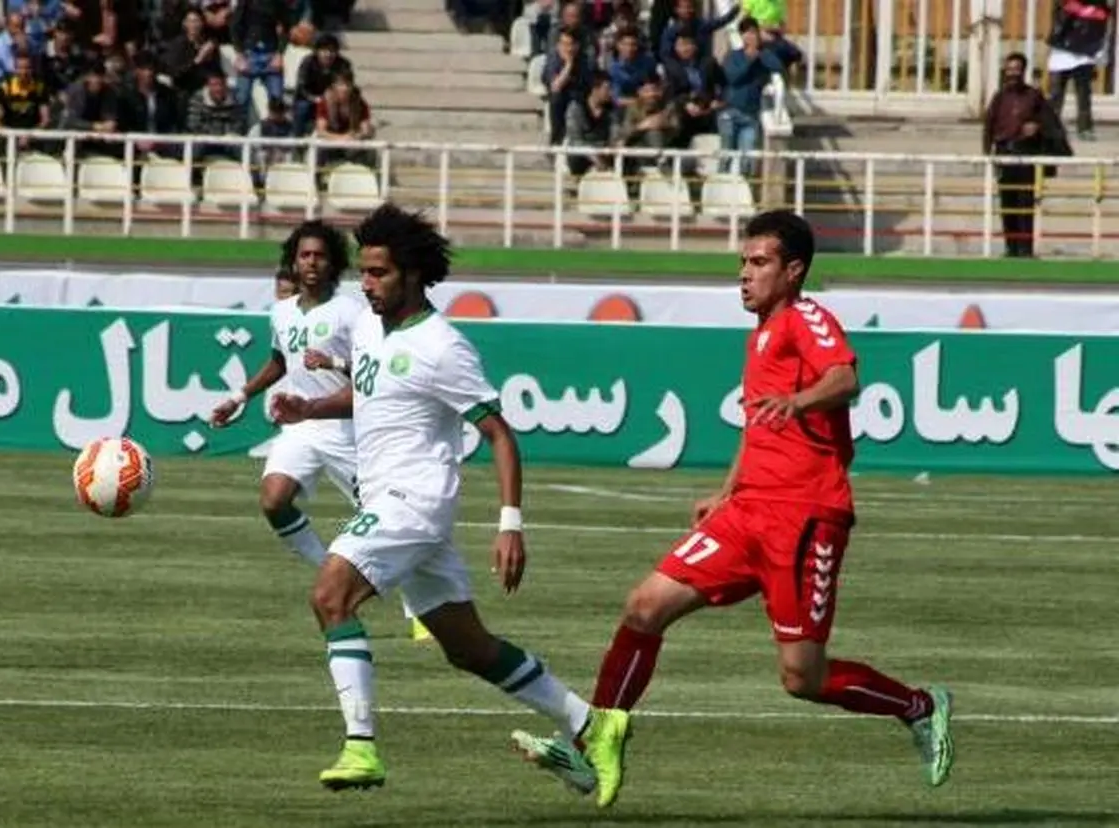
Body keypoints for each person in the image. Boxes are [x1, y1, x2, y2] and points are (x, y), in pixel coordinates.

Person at [512, 210, 954, 806]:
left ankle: (918, 706)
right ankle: (600, 736)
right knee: (645, 606)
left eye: (759, 263)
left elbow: (845, 378)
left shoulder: (807, 316)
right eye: (742, 263)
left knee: (803, 677)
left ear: (793, 271)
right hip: (747, 511)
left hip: (804, 516)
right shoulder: (762, 333)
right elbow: (757, 422)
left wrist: (798, 402)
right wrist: (726, 491)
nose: (744, 275)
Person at [269, 203, 628, 796]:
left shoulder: (443, 346)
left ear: (411, 274)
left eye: (379, 273)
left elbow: (499, 433)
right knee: (468, 648)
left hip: (415, 501)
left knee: (330, 595)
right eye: (363, 272)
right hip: (388, 500)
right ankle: (592, 722)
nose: (367, 284)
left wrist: (510, 523)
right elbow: (373, 395)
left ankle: (361, 748)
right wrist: (308, 407)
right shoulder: (365, 327)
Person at [210, 221, 429, 642]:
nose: (311, 263)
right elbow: (279, 362)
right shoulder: (281, 311)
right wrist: (239, 396)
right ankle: (328, 563)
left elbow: (373, 370)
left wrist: (332, 364)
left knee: (389, 523)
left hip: (349, 432)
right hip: (301, 429)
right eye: (305, 255)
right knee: (274, 500)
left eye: (320, 256)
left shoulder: (354, 313)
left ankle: (421, 608)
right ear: (293, 261)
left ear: (334, 264)